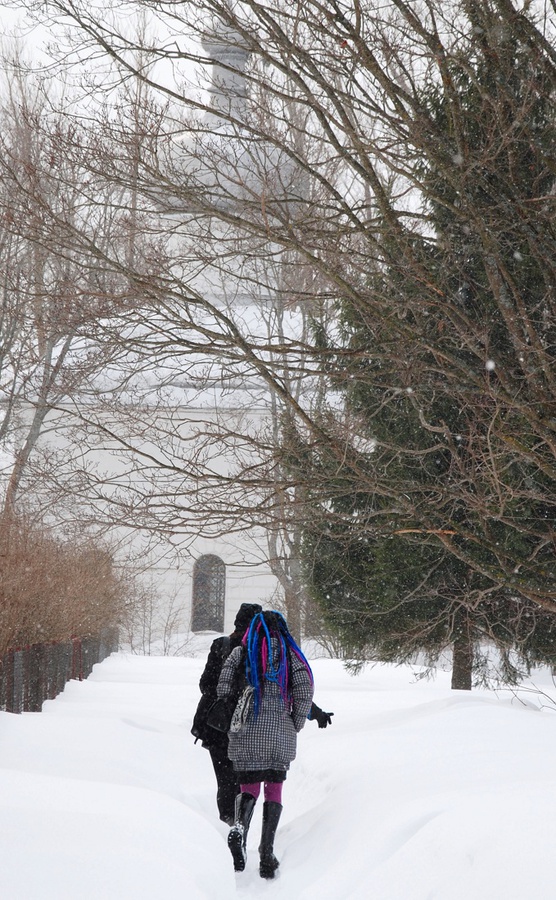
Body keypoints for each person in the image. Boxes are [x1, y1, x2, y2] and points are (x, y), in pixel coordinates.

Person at [192, 604, 334, 827]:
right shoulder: (260, 650)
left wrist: (226, 696)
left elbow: (205, 685)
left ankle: (229, 829)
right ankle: (241, 831)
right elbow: (286, 690)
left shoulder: (222, 645)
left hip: (218, 727)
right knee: (244, 783)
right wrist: (313, 714)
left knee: (225, 782)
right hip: (245, 727)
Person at [216, 610, 314, 879]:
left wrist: (236, 707)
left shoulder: (242, 651)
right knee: (274, 788)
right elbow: (305, 689)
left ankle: (239, 831)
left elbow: (223, 686)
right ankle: (266, 853)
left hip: (246, 731)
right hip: (279, 733)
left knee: (249, 786)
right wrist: (295, 722)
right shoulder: (289, 655)